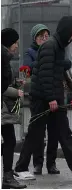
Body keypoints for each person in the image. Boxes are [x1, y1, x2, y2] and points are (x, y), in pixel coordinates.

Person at [14, 16, 72, 181]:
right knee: (35, 134)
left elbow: (57, 71)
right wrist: (52, 98)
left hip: (54, 97)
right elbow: (45, 75)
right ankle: (20, 167)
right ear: (66, 31)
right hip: (43, 98)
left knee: (64, 133)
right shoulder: (50, 46)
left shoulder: (58, 46)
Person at [23, 24, 60, 175]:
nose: (44, 39)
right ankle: (37, 163)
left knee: (54, 131)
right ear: (35, 38)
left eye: (46, 36)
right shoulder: (30, 52)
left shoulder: (53, 50)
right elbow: (26, 70)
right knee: (38, 132)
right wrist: (43, 61)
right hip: (38, 97)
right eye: (41, 36)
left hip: (53, 95)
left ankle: (51, 164)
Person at [1, 28, 27, 189]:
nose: (17, 45)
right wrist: (15, 91)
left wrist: (16, 83)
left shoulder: (5, 57)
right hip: (3, 106)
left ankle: (8, 174)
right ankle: (7, 176)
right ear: (9, 42)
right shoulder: (2, 57)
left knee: (9, 140)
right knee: (10, 140)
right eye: (15, 42)